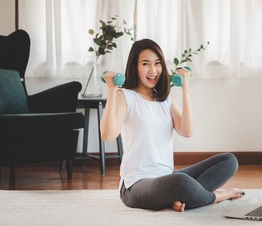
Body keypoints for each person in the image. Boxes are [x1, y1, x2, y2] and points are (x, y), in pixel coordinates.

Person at [100, 38, 244, 212]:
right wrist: (111, 90)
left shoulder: (166, 100)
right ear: (134, 67)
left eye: (157, 63)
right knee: (181, 182)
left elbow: (187, 131)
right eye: (146, 64)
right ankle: (216, 196)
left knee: (229, 160)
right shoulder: (124, 96)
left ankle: (180, 197)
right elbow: (108, 135)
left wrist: (186, 89)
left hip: (166, 179)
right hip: (136, 185)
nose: (153, 70)